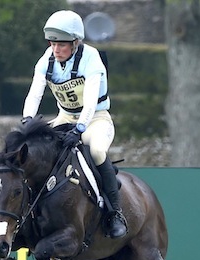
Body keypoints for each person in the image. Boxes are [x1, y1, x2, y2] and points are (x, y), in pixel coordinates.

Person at [22, 10, 128, 241]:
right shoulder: (47, 59)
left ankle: (114, 213)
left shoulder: (91, 59)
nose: (55, 49)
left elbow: (90, 101)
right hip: (64, 116)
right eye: (52, 43)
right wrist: (27, 122)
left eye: (61, 44)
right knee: (35, 151)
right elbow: (34, 94)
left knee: (97, 151)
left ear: (75, 42)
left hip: (96, 118)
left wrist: (80, 129)